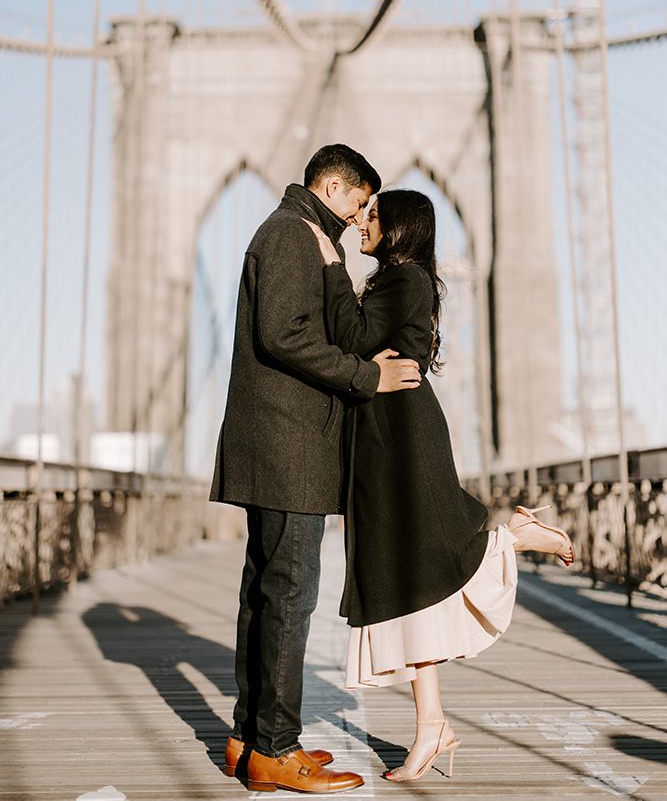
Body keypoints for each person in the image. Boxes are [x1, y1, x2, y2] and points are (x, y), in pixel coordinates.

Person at [306, 188, 574, 783]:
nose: (362, 223)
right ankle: (433, 724)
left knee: (425, 561)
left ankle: (514, 538)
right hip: (384, 434)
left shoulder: (403, 280)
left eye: (375, 215)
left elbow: (350, 339)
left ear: (401, 228)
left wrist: (330, 264)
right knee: (408, 578)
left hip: (402, 436)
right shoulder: (397, 280)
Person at [210, 146, 422, 794]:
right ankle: (276, 749)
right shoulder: (290, 235)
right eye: (358, 202)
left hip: (280, 441)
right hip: (287, 444)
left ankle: (251, 737)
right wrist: (365, 376)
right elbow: (284, 334)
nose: (360, 217)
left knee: (266, 591)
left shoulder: (300, 235)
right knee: (290, 595)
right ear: (331, 187)